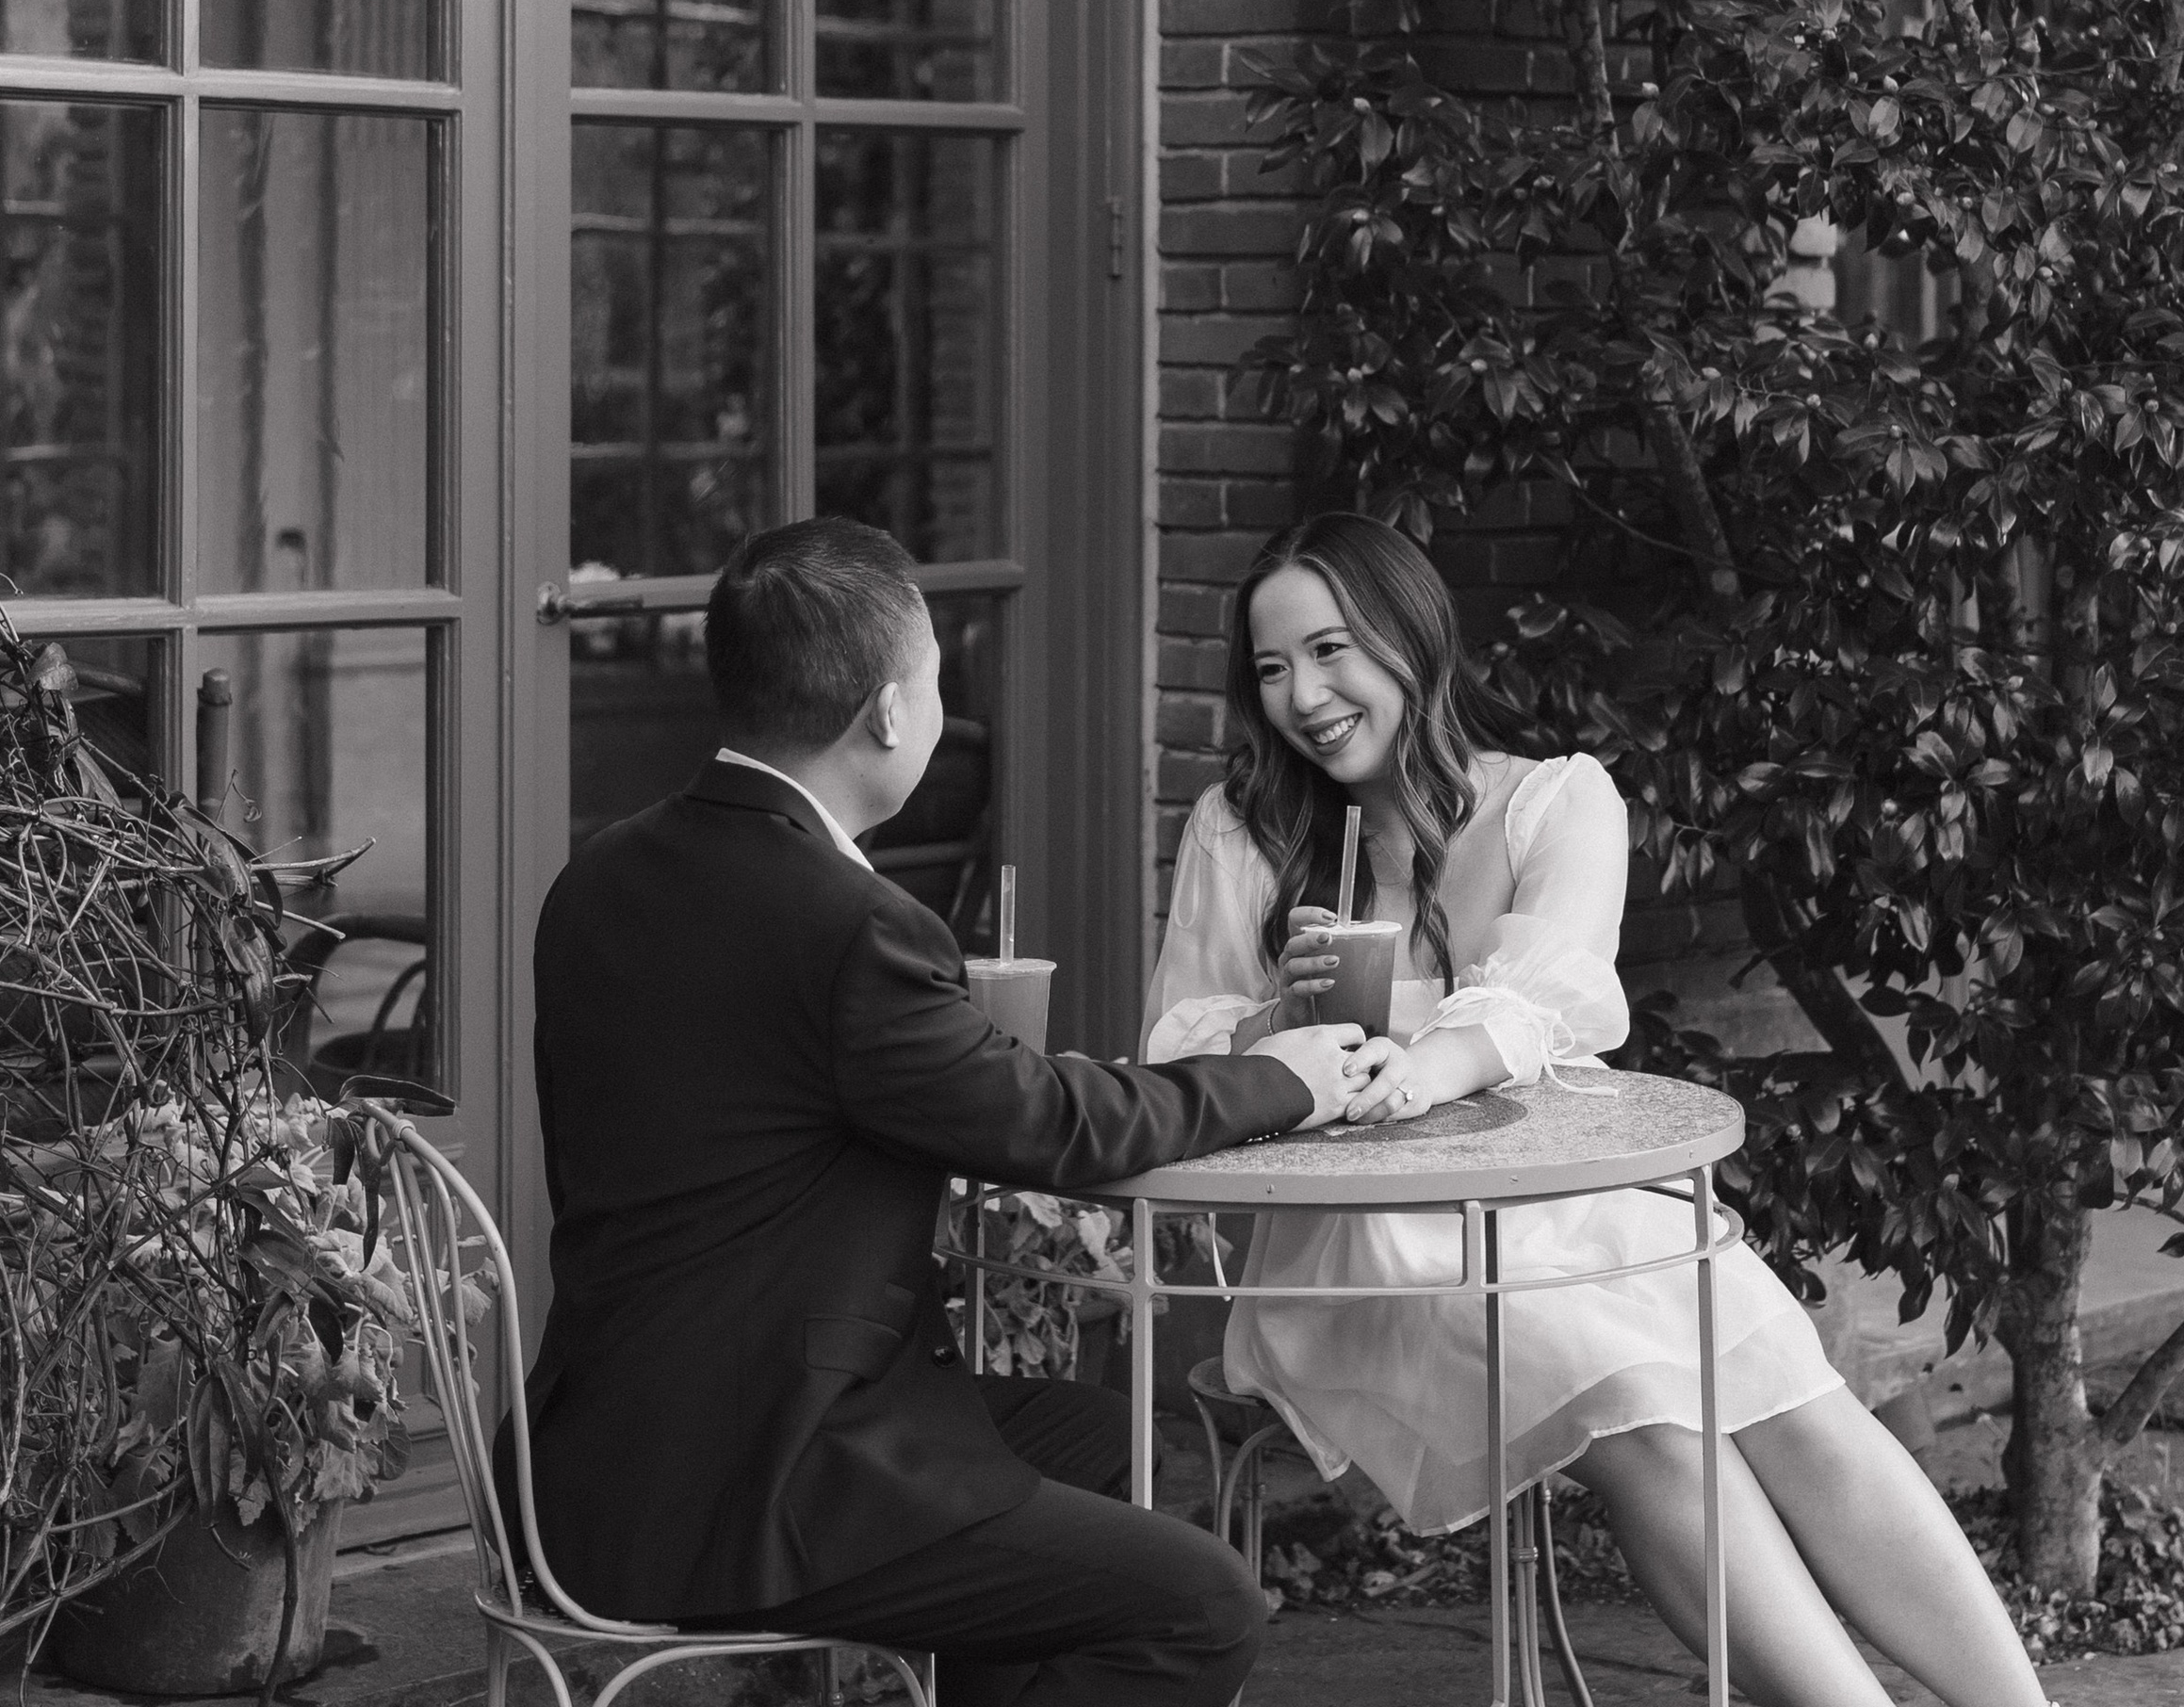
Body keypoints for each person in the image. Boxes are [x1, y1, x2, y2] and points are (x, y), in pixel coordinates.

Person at [1145, 515, 2052, 1707]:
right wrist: (1277, 1020)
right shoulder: (1243, 830)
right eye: (1270, 668)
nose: (1303, 695)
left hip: (1556, 1210)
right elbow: (1174, 1042)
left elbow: (1553, 996)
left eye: (1332, 650)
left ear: (1410, 639)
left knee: (1791, 1396)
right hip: (1361, 1247)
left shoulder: (1555, 803)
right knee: (1654, 1416)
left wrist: (1428, 1063)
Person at [523, 518, 1371, 1707]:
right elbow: (1048, 1126)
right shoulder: (847, 921)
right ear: (884, 712)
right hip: (759, 1475)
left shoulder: (600, 875)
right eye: (931, 680)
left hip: (600, 1447)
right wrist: (1289, 1075)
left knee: (1095, 1438)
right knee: (1200, 1605)